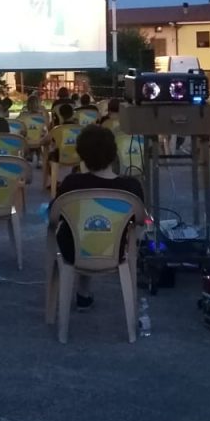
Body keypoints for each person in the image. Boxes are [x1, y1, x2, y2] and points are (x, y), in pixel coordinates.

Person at [50, 125, 144, 309]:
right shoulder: (131, 187)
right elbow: (140, 221)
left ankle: (82, 292)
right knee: (98, 231)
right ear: (114, 153)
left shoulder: (72, 183)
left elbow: (54, 217)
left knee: (81, 228)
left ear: (81, 154)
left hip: (74, 251)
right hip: (114, 251)